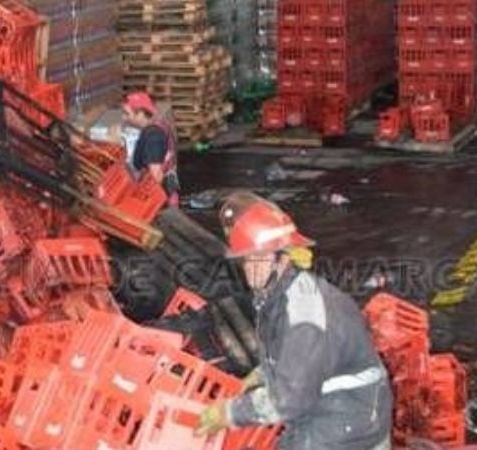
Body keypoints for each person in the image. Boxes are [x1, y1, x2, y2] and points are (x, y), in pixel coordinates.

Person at [196, 192, 393, 450]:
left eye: (258, 258)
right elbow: (299, 358)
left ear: (284, 257)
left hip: (349, 426)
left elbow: (290, 398)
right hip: (334, 411)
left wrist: (229, 413)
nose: (249, 268)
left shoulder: (304, 314)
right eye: (246, 259)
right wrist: (263, 373)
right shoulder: (281, 295)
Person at [121, 91, 180, 208]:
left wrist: (146, 201)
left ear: (140, 114)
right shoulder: (159, 125)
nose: (124, 118)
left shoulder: (153, 136)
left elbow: (156, 174)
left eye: (127, 114)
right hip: (167, 192)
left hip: (160, 201)